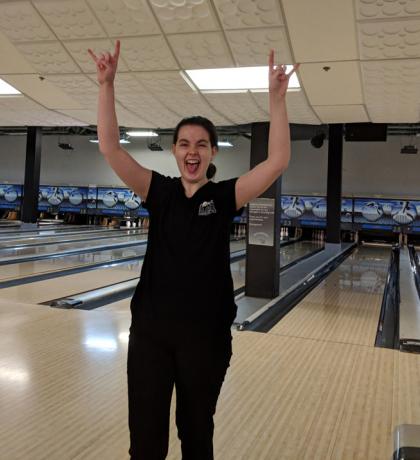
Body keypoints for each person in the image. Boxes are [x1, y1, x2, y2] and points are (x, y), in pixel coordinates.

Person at [88, 40, 298, 460]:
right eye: (185, 143)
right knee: (146, 441)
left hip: (205, 337)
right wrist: (107, 86)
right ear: (175, 151)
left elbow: (276, 162)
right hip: (150, 333)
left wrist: (277, 100)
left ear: (212, 153)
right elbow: (111, 148)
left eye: (201, 144)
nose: (192, 151)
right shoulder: (159, 192)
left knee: (196, 434)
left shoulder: (223, 198)